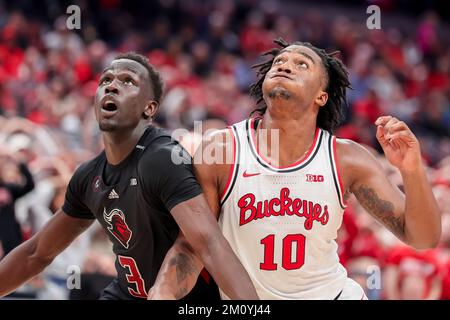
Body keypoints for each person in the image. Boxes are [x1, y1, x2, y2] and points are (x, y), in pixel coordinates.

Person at [148, 38, 442, 300]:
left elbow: (422, 237)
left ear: (321, 96)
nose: (285, 66)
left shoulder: (346, 158)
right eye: (280, 61)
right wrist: (162, 293)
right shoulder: (221, 150)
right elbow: (192, 245)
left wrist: (412, 170)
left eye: (301, 64)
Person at [0, 52, 258, 300]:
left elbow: (209, 245)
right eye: (105, 80)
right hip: (129, 292)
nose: (111, 86)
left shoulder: (162, 158)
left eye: (128, 81)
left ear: (149, 108)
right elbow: (36, 253)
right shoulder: (88, 176)